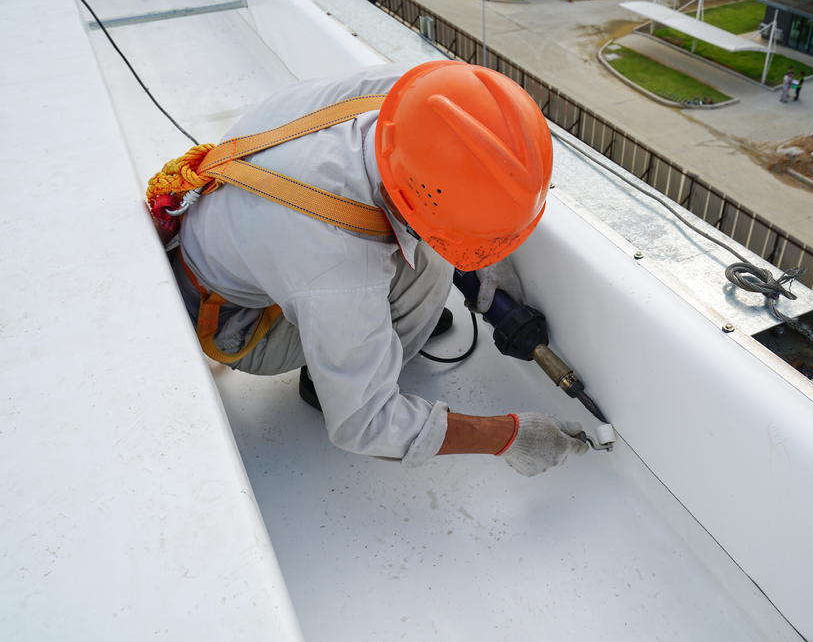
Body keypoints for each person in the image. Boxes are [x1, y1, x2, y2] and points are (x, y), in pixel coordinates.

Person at [151, 61, 589, 477]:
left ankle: (356, 342)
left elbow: (467, 164)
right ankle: (330, 378)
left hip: (235, 232)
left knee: (423, 251)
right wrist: (510, 436)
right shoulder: (335, 262)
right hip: (236, 323)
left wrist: (489, 247)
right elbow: (366, 423)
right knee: (431, 266)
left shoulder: (420, 96)